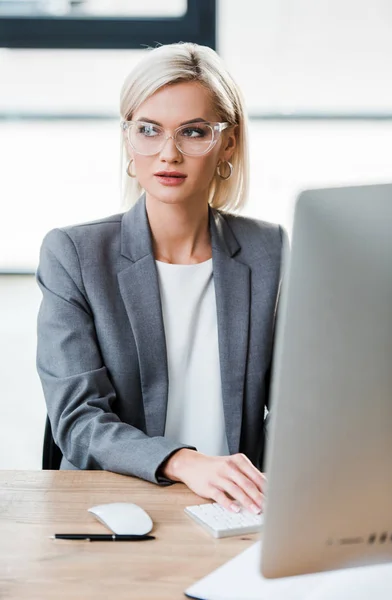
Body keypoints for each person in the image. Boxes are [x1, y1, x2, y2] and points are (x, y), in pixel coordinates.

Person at [36, 42, 284, 516]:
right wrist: (183, 461)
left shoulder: (269, 250)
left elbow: (300, 401)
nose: (168, 153)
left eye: (193, 132)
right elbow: (77, 419)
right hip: (113, 508)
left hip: (236, 510)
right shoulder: (74, 254)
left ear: (228, 142)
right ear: (129, 139)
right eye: (149, 130)